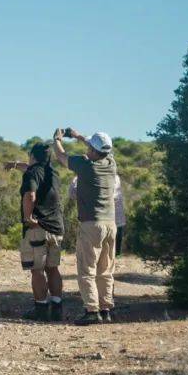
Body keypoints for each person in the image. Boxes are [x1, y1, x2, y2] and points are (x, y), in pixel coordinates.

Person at [53, 128, 117, 325]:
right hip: (110, 224)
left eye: (89, 146)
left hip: (92, 224)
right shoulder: (111, 164)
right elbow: (96, 147)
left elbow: (61, 156)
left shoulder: (85, 165)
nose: (87, 148)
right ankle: (106, 310)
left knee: (87, 269)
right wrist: (79, 136)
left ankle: (91, 310)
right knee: (105, 270)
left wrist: (57, 138)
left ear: (93, 150)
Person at [6, 142, 65, 321]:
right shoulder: (52, 172)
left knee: (37, 270)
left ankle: (40, 308)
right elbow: (31, 168)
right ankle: (57, 307)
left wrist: (28, 216)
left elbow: (30, 195)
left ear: (32, 156)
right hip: (56, 227)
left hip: (38, 227)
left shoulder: (32, 173)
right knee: (53, 268)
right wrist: (15, 165)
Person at [69, 173, 126, 256]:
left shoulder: (114, 177)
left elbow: (113, 195)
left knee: (107, 255)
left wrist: (87, 194)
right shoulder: (80, 177)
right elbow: (72, 193)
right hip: (98, 221)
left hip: (108, 220)